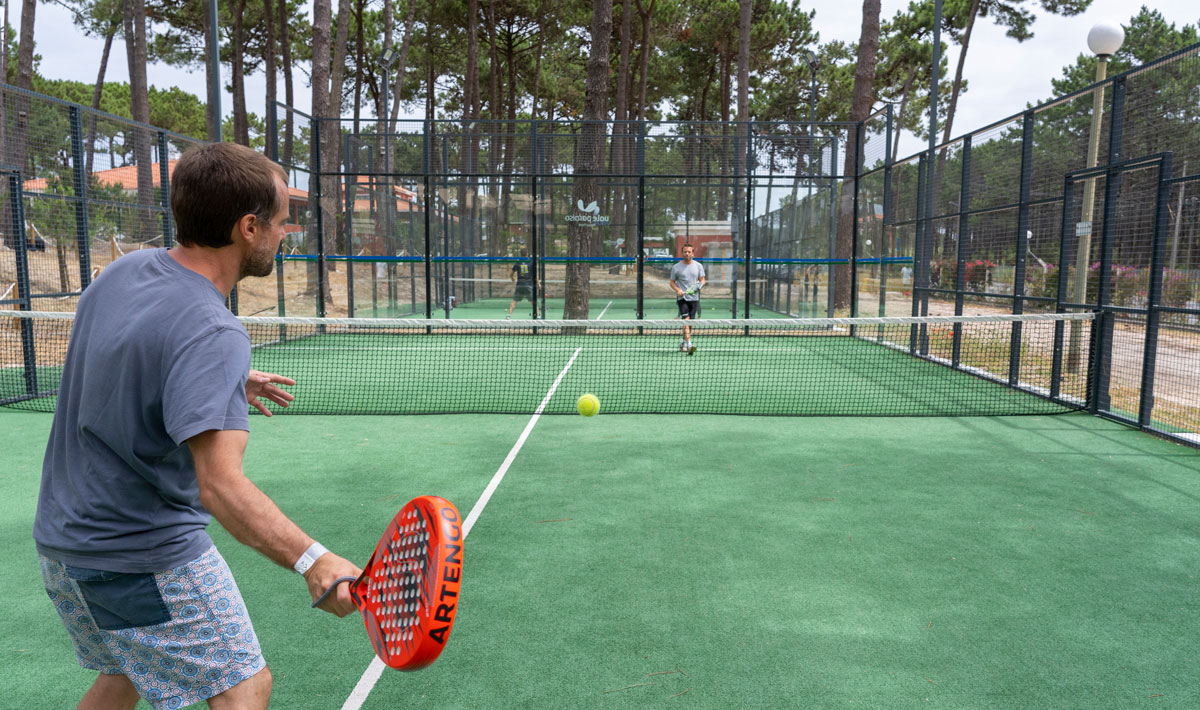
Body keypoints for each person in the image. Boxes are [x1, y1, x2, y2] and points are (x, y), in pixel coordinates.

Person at [33, 142, 362, 710]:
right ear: (249, 227)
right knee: (244, 687)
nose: (287, 235)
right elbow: (221, 487)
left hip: (63, 544)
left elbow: (125, 353)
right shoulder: (215, 332)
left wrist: (219, 380)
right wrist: (315, 561)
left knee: (128, 673)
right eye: (283, 224)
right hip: (137, 553)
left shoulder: (126, 271)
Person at [669, 243, 706, 354]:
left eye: (689, 252)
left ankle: (683, 342)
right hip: (682, 299)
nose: (687, 253)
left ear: (693, 253)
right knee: (686, 320)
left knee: (690, 323)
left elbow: (703, 280)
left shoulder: (698, 266)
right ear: (682, 253)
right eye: (685, 251)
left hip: (694, 298)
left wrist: (699, 285)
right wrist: (678, 290)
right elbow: (672, 282)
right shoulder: (676, 267)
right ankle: (690, 344)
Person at [506, 247, 539, 319]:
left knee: (514, 302)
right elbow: (536, 275)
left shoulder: (517, 263)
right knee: (533, 302)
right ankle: (538, 316)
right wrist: (539, 284)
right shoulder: (531, 262)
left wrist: (512, 279)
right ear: (527, 254)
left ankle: (508, 316)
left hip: (520, 285)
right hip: (529, 285)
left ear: (521, 254)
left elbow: (511, 273)